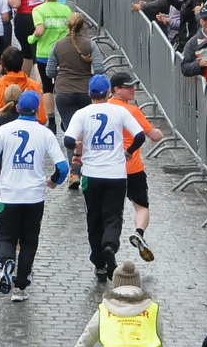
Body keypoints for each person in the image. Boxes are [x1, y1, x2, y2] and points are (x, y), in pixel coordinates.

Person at [0, 90, 69, 302]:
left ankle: (6, 261)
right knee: (29, 241)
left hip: (10, 194)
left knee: (4, 235)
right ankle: (20, 287)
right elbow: (63, 167)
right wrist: (54, 181)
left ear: (18, 108)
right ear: (38, 109)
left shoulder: (4, 130)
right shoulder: (45, 133)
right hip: (34, 197)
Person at [63, 76, 150, 278]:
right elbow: (140, 136)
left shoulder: (82, 114)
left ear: (89, 93)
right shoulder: (120, 111)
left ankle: (99, 263)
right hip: (116, 174)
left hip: (92, 174)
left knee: (93, 219)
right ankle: (110, 245)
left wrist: (77, 150)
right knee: (113, 216)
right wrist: (129, 151)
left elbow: (68, 139)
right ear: (109, 92)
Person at [105, 74, 163, 262]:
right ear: (116, 89)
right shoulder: (133, 111)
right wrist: (160, 131)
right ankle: (139, 232)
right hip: (132, 168)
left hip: (108, 168)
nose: (133, 89)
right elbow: (153, 135)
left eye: (134, 86)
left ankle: (108, 243)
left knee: (111, 211)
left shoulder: (102, 109)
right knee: (142, 207)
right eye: (127, 87)